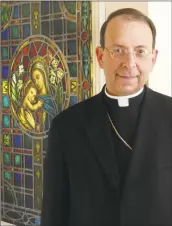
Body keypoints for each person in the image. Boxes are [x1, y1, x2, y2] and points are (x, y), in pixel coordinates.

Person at [41, 8, 172, 226]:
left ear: (153, 58)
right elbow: (54, 212)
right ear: (101, 56)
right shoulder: (66, 126)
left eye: (140, 51)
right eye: (118, 50)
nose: (129, 63)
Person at [31, 60, 58, 131]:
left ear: (44, 75)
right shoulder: (33, 99)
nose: (36, 82)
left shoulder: (50, 101)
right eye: (34, 80)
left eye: (37, 77)